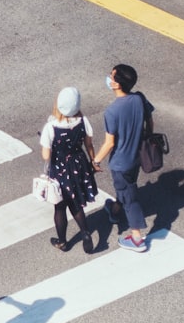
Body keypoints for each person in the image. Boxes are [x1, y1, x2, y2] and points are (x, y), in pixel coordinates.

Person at [92, 64, 155, 253]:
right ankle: (114, 210)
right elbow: (149, 120)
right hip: (136, 157)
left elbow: (109, 143)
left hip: (121, 162)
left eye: (111, 76)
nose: (109, 79)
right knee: (127, 187)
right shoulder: (139, 98)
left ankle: (136, 238)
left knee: (130, 197)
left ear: (117, 84)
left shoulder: (112, 111)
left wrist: (95, 161)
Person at [39, 87, 97, 254]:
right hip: (79, 165)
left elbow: (46, 155)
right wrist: (93, 161)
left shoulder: (51, 126)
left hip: (60, 169)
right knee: (76, 202)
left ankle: (62, 241)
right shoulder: (83, 121)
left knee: (60, 207)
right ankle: (85, 232)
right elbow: (89, 145)